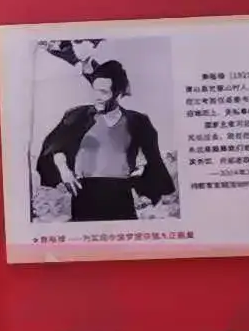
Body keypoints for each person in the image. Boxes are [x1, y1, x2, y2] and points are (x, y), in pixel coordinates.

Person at [34, 60, 173, 225]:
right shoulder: (77, 116)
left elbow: (154, 160)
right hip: (84, 194)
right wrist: (64, 169)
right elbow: (53, 147)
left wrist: (145, 191)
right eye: (95, 90)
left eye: (104, 92)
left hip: (121, 194)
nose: (97, 97)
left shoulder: (138, 122)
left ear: (118, 94)